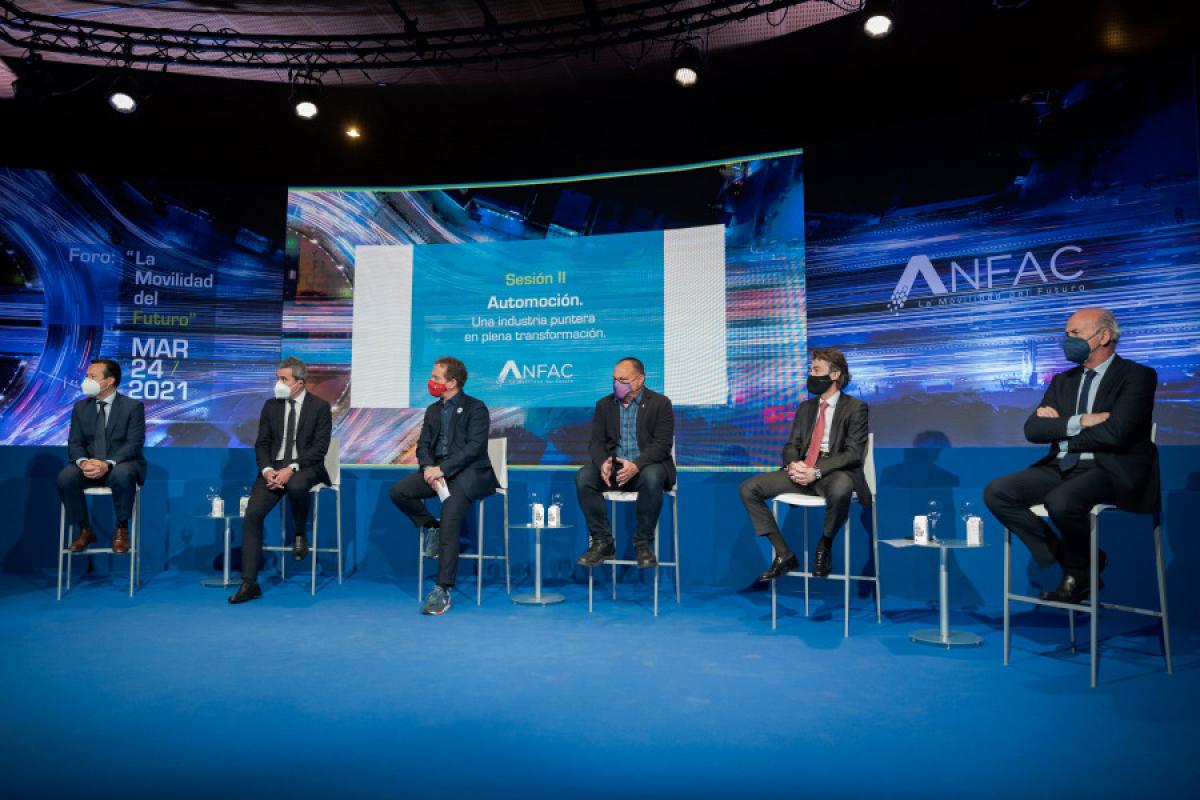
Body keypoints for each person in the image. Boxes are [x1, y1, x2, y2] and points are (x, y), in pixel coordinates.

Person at [984, 307, 1158, 603]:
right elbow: (1034, 430)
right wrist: (1082, 420)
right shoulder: (1062, 381)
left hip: (1111, 468)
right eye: (1065, 335)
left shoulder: (1137, 376)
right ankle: (1077, 562)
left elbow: (1118, 433)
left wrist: (1061, 429)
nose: (1067, 340)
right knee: (998, 492)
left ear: (1103, 336)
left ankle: (1078, 572)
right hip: (1064, 465)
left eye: (1074, 334)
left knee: (1060, 501)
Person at [739, 348, 870, 581]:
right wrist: (793, 465)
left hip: (833, 471)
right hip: (802, 470)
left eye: (816, 370)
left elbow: (853, 454)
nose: (811, 374)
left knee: (841, 490)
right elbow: (792, 444)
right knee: (749, 489)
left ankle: (825, 546)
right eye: (810, 369)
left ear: (835, 374)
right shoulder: (805, 408)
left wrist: (816, 471)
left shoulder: (855, 408)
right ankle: (784, 555)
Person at [389, 356, 498, 615]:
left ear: (452, 382)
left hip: (467, 475)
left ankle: (442, 589)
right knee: (399, 492)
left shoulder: (476, 408)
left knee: (450, 517)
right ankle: (430, 526)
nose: (431, 382)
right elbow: (424, 444)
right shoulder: (433, 410)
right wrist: (429, 468)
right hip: (436, 472)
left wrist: (444, 469)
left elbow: (474, 448)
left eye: (436, 378)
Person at [229, 357, 332, 604]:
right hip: (273, 470)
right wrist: (266, 470)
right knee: (253, 515)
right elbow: (262, 442)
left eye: (283, 379)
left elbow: (320, 448)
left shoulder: (319, 407)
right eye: (277, 378)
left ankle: (299, 532)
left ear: (299, 383)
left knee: (296, 484)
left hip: (307, 467)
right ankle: (249, 583)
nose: (278, 383)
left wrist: (291, 468)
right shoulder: (271, 406)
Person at [575, 357, 676, 570]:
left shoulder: (660, 404)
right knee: (584, 476)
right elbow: (596, 442)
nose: (617, 384)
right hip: (615, 471)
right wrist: (603, 462)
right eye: (614, 379)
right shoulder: (604, 405)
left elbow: (662, 445)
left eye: (623, 379)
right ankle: (602, 541)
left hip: (646, 468)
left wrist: (636, 465)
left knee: (653, 475)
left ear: (640, 380)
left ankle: (643, 542)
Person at [58, 359, 146, 555]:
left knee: (123, 474)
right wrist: (83, 462)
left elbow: (134, 443)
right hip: (89, 465)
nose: (86, 380)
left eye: (92, 376)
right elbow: (75, 442)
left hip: (119, 464)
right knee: (66, 476)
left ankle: (122, 529)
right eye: (87, 376)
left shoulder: (132, 407)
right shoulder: (81, 407)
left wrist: (107, 463)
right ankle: (84, 529)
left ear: (110, 381)